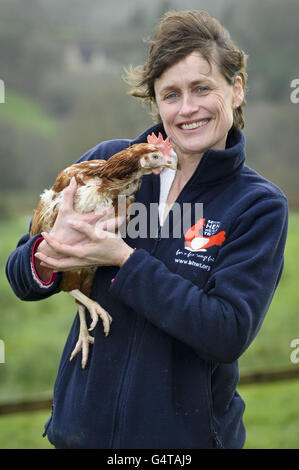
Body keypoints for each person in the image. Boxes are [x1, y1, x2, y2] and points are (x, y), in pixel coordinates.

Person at [6, 10, 288, 449]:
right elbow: (21, 275)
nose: (187, 108)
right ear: (155, 102)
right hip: (80, 436)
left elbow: (225, 332)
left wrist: (122, 258)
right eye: (170, 94)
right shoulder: (105, 165)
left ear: (235, 90)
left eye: (201, 88)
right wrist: (48, 252)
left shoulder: (258, 206)